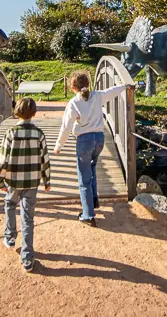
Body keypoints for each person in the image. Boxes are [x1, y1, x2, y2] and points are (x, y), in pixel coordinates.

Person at [53, 71, 131, 226]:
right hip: (99, 139)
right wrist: (125, 86)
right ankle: (94, 200)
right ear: (88, 83)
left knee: (84, 178)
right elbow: (111, 91)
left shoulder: (74, 103)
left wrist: (59, 146)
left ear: (72, 87)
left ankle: (88, 215)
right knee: (92, 168)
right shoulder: (97, 96)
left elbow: (66, 126)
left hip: (85, 141)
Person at [0, 97, 51, 272]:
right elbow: (45, 159)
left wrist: (0, 179)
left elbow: (3, 159)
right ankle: (27, 257)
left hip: (13, 180)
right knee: (28, 217)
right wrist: (47, 180)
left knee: (10, 204)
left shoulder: (11, 133)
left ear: (17, 111)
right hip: (32, 181)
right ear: (34, 113)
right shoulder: (39, 134)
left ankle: (10, 237)